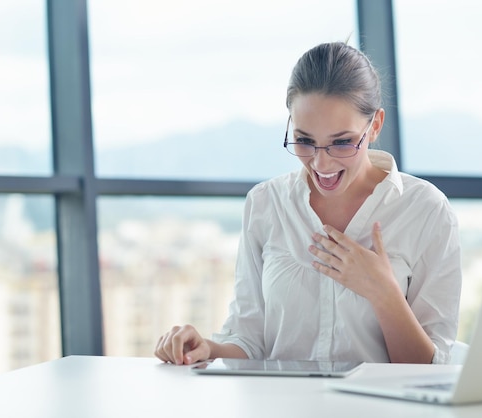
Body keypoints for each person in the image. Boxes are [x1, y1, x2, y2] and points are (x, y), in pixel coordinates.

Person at [154, 41, 462, 366]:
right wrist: (205, 348)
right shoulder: (265, 204)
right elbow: (249, 342)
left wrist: (384, 294)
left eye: (342, 142)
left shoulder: (426, 211)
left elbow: (429, 371)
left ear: (374, 126)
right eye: (304, 141)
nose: (321, 164)